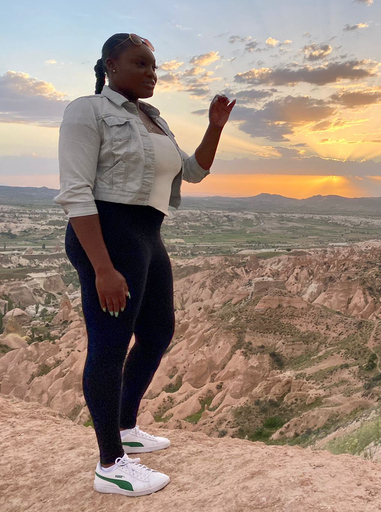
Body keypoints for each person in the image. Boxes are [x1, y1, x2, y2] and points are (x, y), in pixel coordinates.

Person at [54, 33, 235, 497]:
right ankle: (110, 463)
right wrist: (102, 268)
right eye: (141, 64)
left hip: (148, 235)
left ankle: (126, 426)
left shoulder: (153, 120)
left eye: (155, 67)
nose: (151, 74)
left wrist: (215, 126)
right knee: (110, 344)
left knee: (157, 333)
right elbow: (76, 191)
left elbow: (192, 172)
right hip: (108, 234)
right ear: (110, 65)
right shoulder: (87, 111)